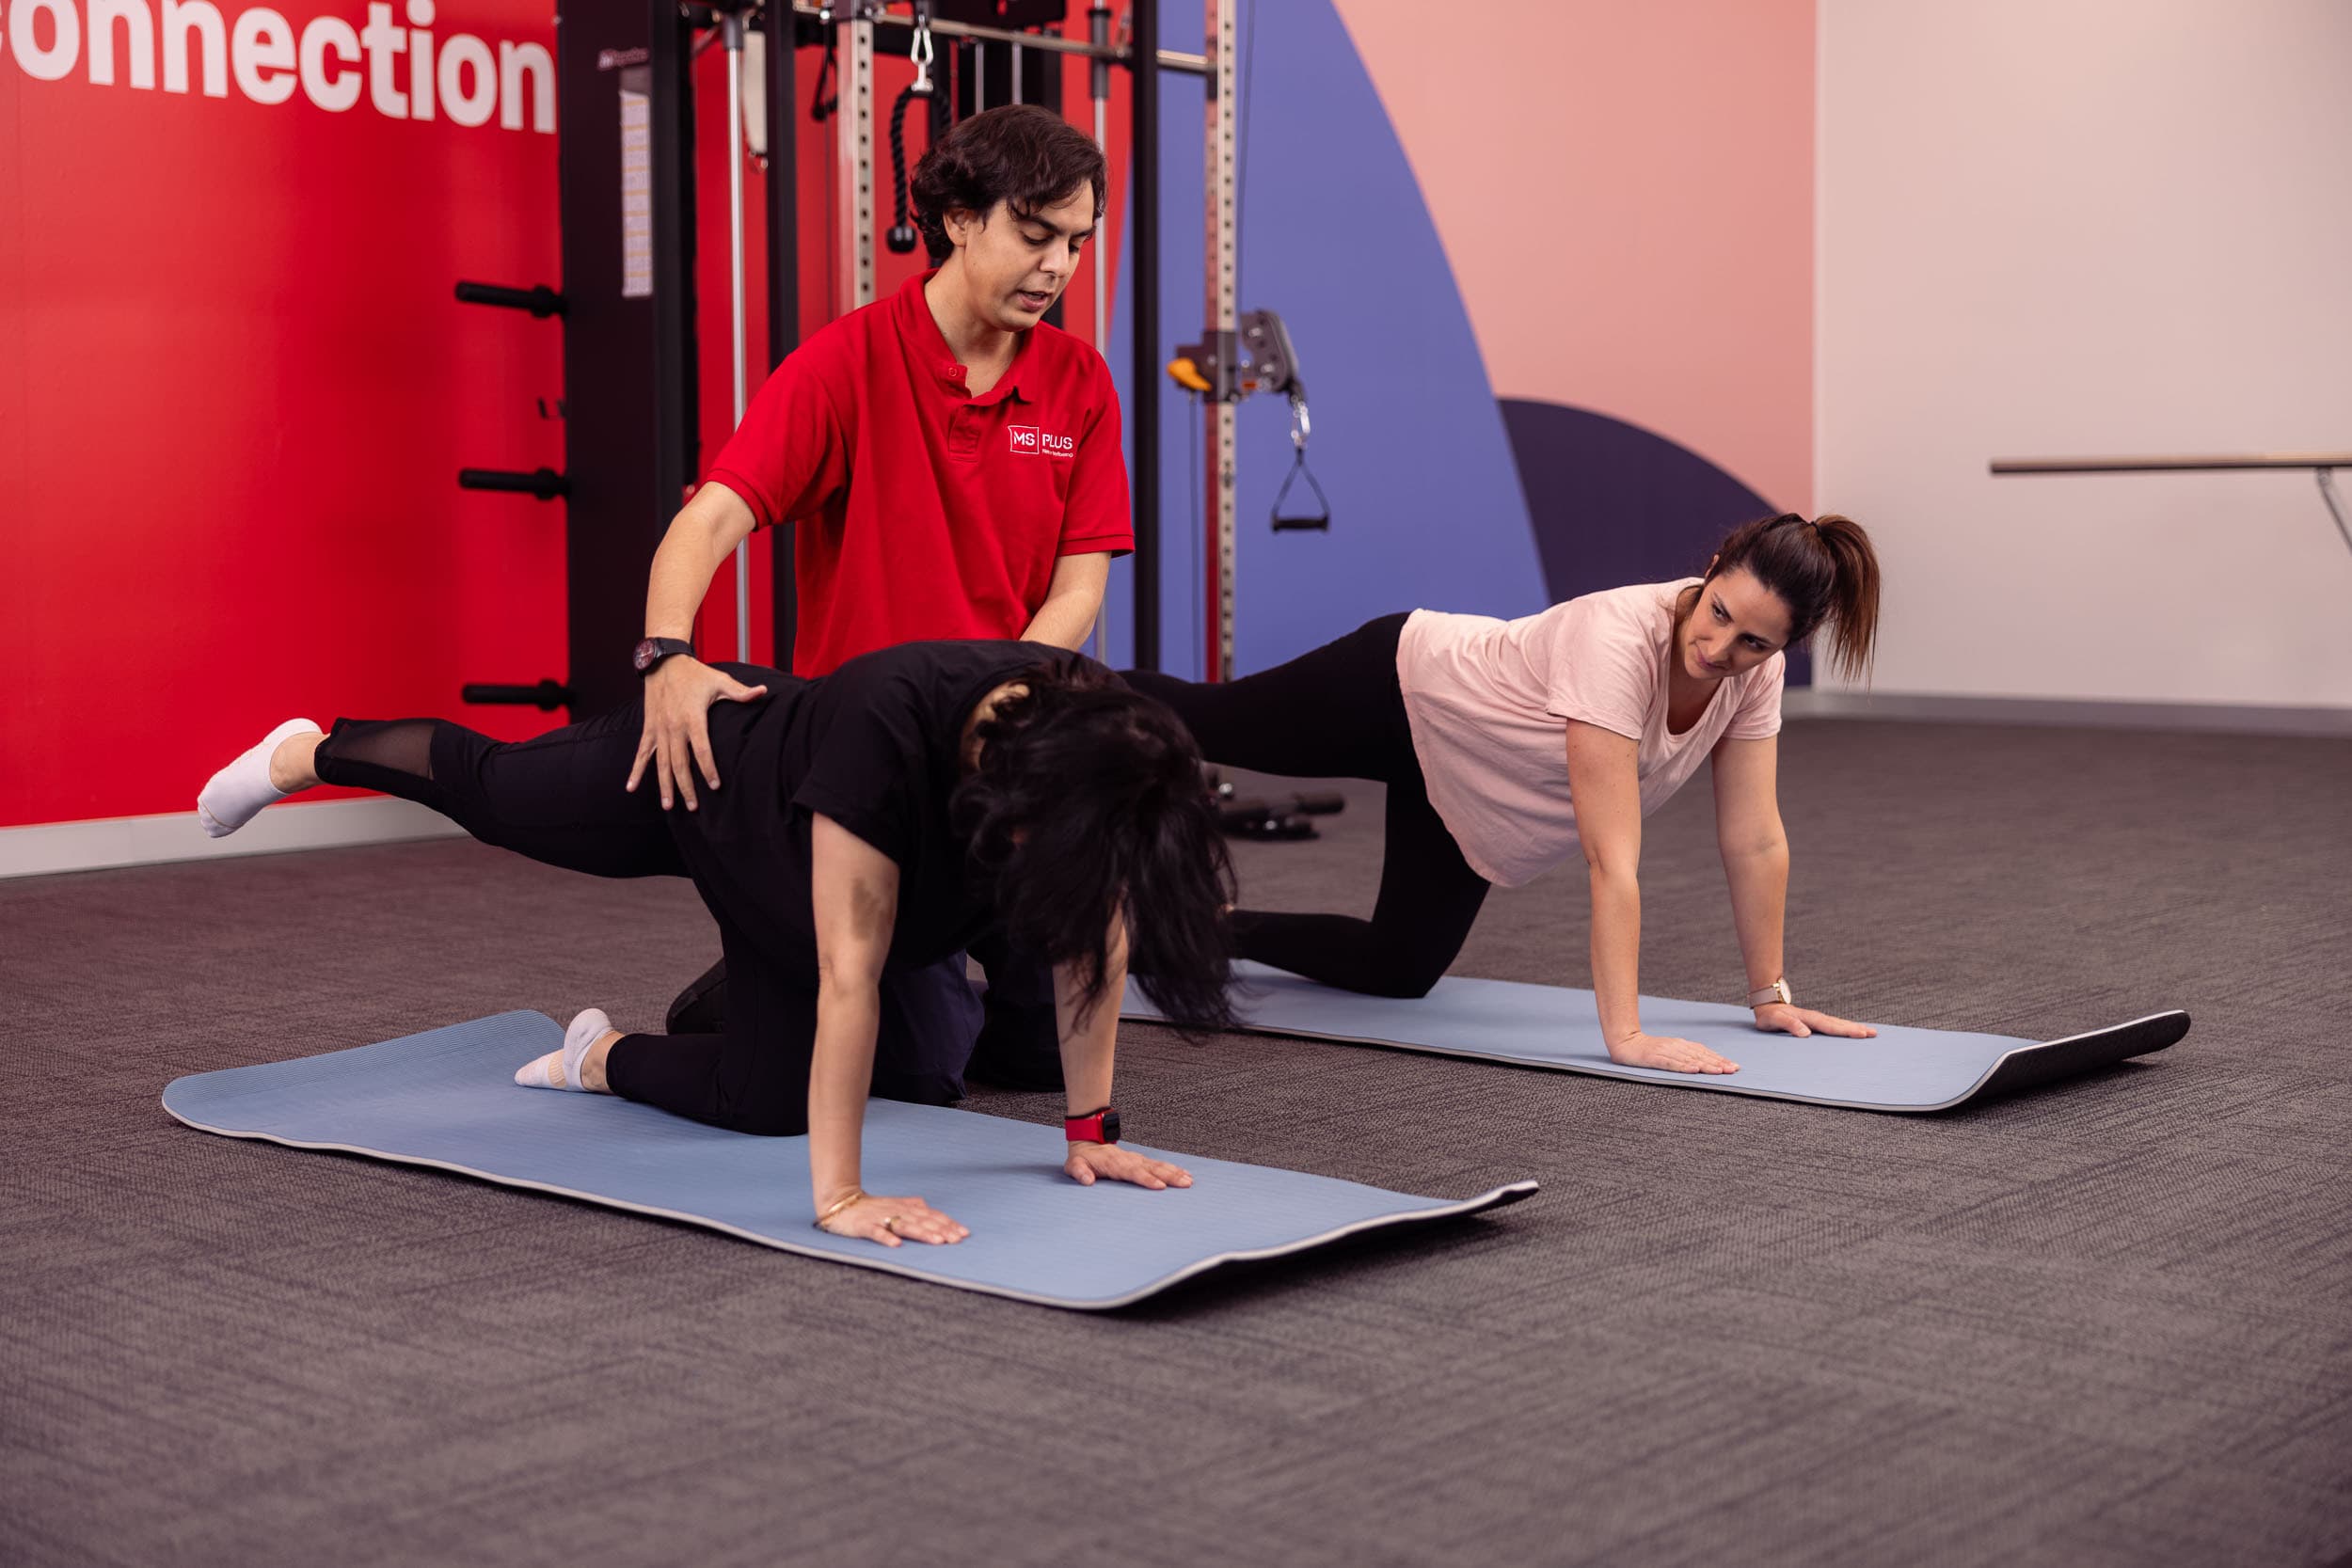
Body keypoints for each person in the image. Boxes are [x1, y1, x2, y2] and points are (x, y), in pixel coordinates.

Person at [194, 641, 1235, 1247]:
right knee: (502, 793)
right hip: (705, 767)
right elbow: (848, 974)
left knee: (770, 1100)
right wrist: (842, 1197)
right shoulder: (888, 732)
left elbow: (1093, 936)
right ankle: (308, 751)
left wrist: (1089, 1130)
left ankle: (596, 1055)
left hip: (814, 866)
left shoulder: (1111, 749)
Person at [634, 103, 1130, 1091]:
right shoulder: (847, 360)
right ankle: (767, 973)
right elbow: (710, 520)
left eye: (1076, 244)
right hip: (873, 763)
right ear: (958, 218)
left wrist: (1004, 703)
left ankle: (848, 963)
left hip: (998, 741)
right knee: (921, 1071)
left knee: (1042, 1051)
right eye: (1036, 234)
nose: (1057, 267)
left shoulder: (1079, 380)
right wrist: (667, 653)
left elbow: (1079, 584)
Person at [1124, 513, 1885, 1075]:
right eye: (1719, 612)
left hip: (1469, 777)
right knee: (1199, 722)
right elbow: (1611, 860)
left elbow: (1754, 838)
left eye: (1753, 642)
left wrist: (1768, 994)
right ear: (1712, 568)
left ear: (1784, 647)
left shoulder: (1757, 677)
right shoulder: (1618, 640)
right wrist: (1625, 1035)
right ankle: (1055, 677)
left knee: (1399, 968)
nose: (1719, 649)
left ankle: (1187, 928)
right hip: (1399, 687)